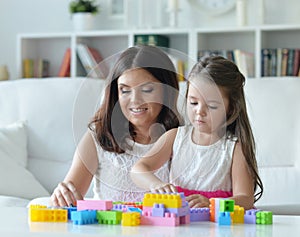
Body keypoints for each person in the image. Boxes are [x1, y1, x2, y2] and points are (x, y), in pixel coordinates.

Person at [50, 45, 182, 207]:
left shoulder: (182, 139)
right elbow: (68, 198)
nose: (135, 100)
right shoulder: (98, 136)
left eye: (147, 89)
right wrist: (60, 196)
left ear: (167, 91)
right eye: (125, 91)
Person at [131, 55, 263, 210]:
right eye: (193, 102)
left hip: (218, 227)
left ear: (231, 108)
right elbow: (138, 169)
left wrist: (212, 203)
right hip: (181, 223)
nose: (199, 111)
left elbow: (246, 199)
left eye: (212, 106)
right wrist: (156, 184)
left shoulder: (234, 148)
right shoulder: (175, 137)